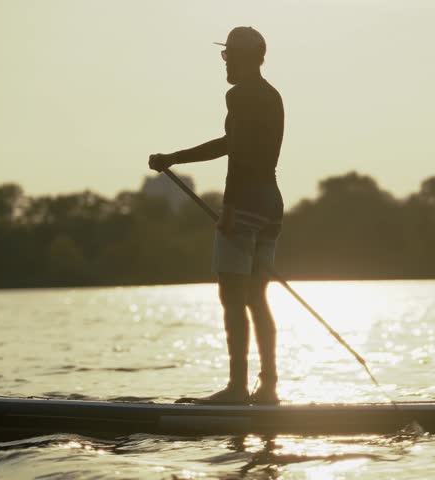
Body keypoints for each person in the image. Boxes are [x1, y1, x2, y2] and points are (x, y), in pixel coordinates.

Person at [148, 26, 284, 405]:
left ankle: (237, 389)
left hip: (246, 201)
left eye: (228, 56)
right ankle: (269, 387)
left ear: (244, 58)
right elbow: (231, 144)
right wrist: (175, 158)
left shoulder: (239, 95)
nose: (225, 63)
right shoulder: (272, 96)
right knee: (257, 296)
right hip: (272, 203)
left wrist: (229, 209)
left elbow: (236, 152)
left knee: (231, 296)